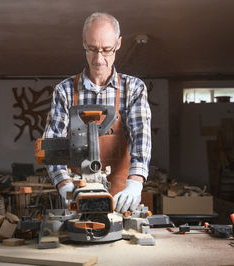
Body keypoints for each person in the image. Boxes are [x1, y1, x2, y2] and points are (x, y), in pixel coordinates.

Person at [43, 12, 151, 213]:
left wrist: (135, 183)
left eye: (107, 50)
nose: (99, 59)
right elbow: (53, 145)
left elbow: (141, 138)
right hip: (76, 199)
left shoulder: (134, 89)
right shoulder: (65, 91)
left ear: (118, 44)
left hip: (121, 199)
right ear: (84, 42)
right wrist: (64, 186)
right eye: (92, 49)